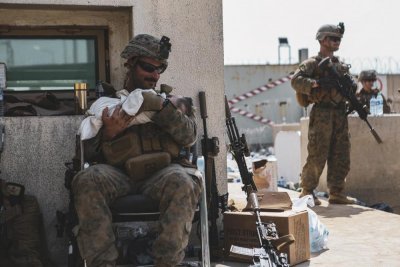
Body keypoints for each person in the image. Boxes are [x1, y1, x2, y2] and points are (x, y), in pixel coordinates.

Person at [71, 34, 202, 267]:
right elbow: (86, 153)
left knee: (183, 181)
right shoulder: (108, 104)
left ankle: (167, 263)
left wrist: (162, 108)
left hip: (162, 174)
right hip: (119, 174)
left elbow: (189, 136)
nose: (154, 75)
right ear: (130, 63)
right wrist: (109, 133)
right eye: (148, 67)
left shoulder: (169, 102)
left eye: (159, 69)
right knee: (86, 179)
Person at [291, 22, 357, 205]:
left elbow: (353, 86)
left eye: (339, 39)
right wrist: (316, 84)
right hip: (322, 114)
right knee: (317, 154)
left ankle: (337, 192)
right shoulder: (313, 63)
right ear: (323, 40)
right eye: (334, 38)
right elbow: (296, 81)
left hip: (340, 114)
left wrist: (352, 88)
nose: (337, 42)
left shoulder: (340, 66)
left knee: (341, 154)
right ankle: (307, 190)